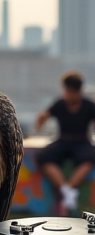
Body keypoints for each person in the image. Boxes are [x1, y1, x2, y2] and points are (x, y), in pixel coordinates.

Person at [35, 71, 95, 214]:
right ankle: (67, 191)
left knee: (90, 158)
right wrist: (40, 124)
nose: (69, 95)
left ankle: (70, 189)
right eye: (67, 91)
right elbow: (44, 116)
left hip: (81, 141)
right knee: (42, 157)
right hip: (63, 140)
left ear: (78, 92)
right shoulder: (60, 104)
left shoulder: (88, 105)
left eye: (72, 92)